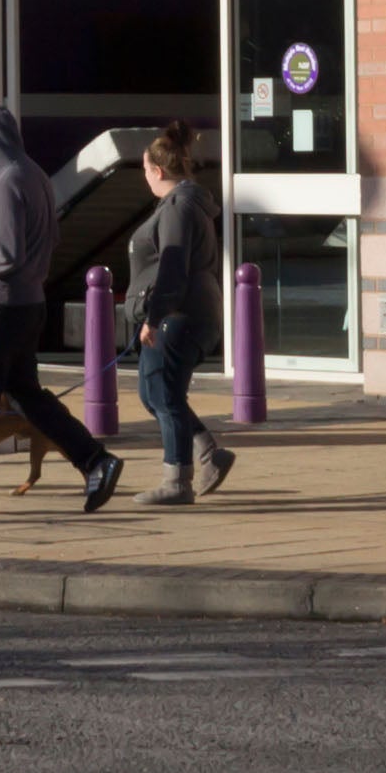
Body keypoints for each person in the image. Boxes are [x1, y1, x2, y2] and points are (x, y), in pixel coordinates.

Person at [0, 103, 123, 518]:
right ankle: (95, 460)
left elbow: (7, 256)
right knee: (27, 396)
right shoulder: (36, 175)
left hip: (0, 307)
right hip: (30, 304)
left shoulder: (8, 182)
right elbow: (42, 241)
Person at [122, 126, 236, 503]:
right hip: (189, 311)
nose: (144, 177)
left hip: (178, 315)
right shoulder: (185, 203)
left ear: (157, 170)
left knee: (164, 394)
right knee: (152, 393)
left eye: (144, 170)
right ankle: (208, 451)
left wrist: (154, 318)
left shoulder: (177, 207)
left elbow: (173, 267)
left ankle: (177, 480)